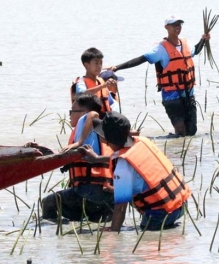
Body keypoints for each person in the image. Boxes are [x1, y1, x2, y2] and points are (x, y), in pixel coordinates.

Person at [82, 112, 191, 231]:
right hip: (180, 205)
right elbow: (130, 158)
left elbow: (120, 207)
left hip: (161, 214)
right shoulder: (142, 141)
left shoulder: (122, 168)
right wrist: (97, 159)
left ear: (105, 139)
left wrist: (113, 230)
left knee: (139, 233)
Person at [109, 15, 211, 137]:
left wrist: (203, 40)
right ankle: (172, 145)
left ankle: (183, 152)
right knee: (181, 131)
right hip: (171, 97)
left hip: (189, 94)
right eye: (174, 25)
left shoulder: (185, 43)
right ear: (166, 27)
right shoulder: (160, 48)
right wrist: (117, 67)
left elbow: (195, 50)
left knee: (191, 131)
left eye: (179, 24)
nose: (177, 27)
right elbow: (141, 59)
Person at [41, 93, 115, 222]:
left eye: (72, 111)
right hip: (107, 196)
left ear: (84, 112)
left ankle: (55, 234)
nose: (69, 115)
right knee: (91, 224)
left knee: (48, 202)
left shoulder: (87, 122)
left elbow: (93, 114)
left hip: (89, 193)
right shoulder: (101, 131)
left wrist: (79, 142)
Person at [71, 47, 116, 115]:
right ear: (86, 65)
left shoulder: (101, 82)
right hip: (89, 120)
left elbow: (111, 102)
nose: (99, 66)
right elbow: (82, 95)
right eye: (96, 63)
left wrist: (114, 88)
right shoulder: (81, 83)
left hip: (103, 120)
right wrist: (103, 86)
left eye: (101, 63)